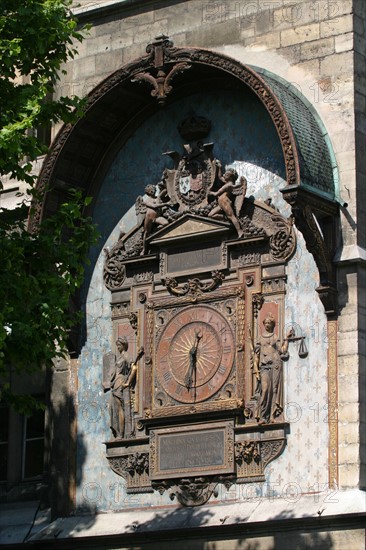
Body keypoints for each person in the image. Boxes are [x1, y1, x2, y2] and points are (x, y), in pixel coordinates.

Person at [249, 314, 294, 424]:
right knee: (265, 390)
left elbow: (282, 350)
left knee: (274, 390)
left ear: (272, 325)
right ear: (264, 324)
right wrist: (256, 370)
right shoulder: (260, 339)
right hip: (264, 366)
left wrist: (287, 339)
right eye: (266, 323)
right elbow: (256, 356)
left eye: (270, 323)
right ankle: (263, 416)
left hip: (276, 364)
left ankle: (272, 416)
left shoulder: (275, 337)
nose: (268, 325)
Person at [109, 337, 143, 439]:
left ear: (124, 345)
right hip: (116, 383)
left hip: (120, 383)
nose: (118, 347)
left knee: (120, 409)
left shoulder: (126, 355)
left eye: (119, 345)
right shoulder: (120, 356)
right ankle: (119, 432)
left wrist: (128, 382)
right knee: (115, 408)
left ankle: (121, 434)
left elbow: (134, 368)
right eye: (117, 345)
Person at [208, 165, 247, 238]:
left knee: (232, 216)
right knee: (210, 215)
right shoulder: (227, 182)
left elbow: (217, 193)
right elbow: (220, 177)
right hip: (221, 203)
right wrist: (219, 167)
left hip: (225, 202)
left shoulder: (229, 185)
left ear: (230, 177)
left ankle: (239, 231)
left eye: (226, 175)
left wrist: (210, 192)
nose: (224, 175)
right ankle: (226, 218)